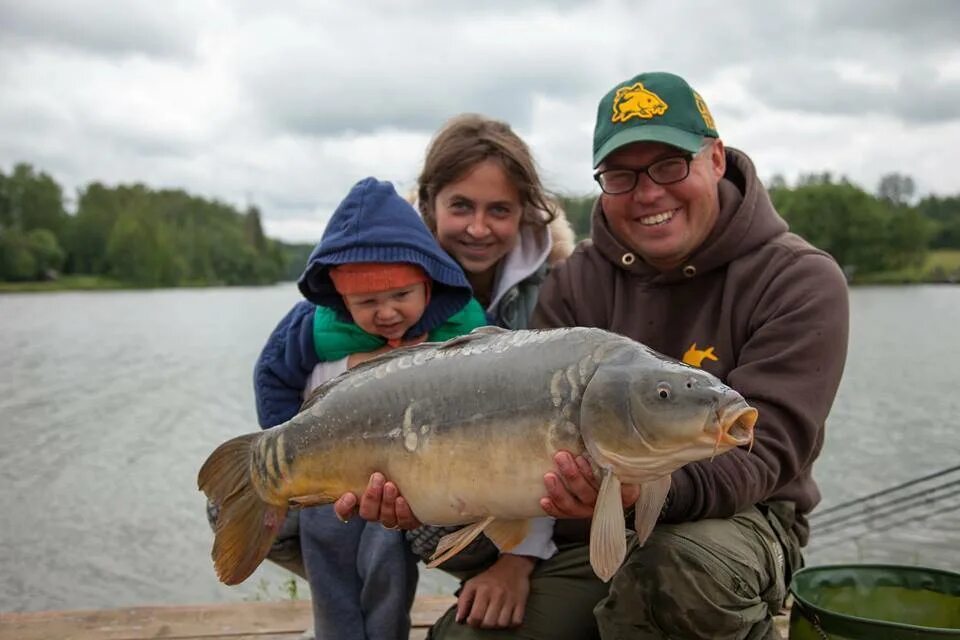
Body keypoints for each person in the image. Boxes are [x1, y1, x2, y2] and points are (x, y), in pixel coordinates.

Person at [338, 72, 850, 639]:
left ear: (717, 158)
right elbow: (517, 457)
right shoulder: (577, 279)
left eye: (669, 165)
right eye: (622, 175)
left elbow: (764, 452)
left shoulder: (799, 279)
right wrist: (435, 503)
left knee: (680, 569)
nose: (648, 192)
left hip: (734, 523)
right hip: (582, 530)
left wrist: (641, 489)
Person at [261, 115, 577, 637]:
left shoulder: (558, 292)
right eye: (461, 206)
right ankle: (348, 606)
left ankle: (507, 574)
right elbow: (282, 371)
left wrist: (518, 559)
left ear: (525, 211)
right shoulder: (364, 271)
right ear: (429, 204)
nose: (478, 227)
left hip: (510, 493)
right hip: (403, 464)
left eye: (498, 210)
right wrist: (352, 373)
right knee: (250, 496)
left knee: (413, 524)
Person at [252, 176, 488, 640]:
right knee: (327, 550)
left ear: (428, 282)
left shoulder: (463, 322)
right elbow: (270, 376)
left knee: (387, 560)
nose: (387, 314)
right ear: (341, 298)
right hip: (333, 465)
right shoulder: (311, 326)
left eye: (401, 296)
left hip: (410, 476)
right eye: (366, 302)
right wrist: (289, 451)